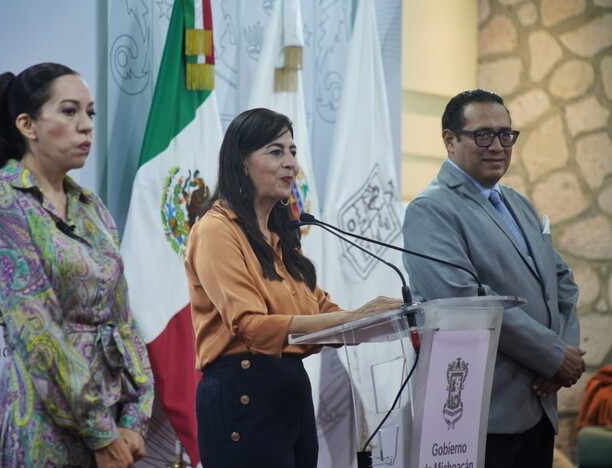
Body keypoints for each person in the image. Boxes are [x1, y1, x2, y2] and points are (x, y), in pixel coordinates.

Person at [0, 63, 154, 468]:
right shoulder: (4, 203)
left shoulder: (92, 207)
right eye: (70, 111)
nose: (86, 125)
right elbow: (37, 333)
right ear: (27, 124)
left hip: (112, 423)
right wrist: (100, 433)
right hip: (44, 424)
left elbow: (124, 321)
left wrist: (134, 418)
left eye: (90, 113)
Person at [184, 108, 403, 467]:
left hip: (291, 394)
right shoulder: (215, 230)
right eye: (275, 152)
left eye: (293, 152)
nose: (291, 164)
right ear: (241, 162)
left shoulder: (283, 235)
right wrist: (353, 317)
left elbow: (321, 311)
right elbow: (250, 327)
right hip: (243, 394)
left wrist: (385, 319)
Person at [402, 89, 585, 468]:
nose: (498, 146)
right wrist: (552, 355)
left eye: (506, 134)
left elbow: (562, 283)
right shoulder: (431, 209)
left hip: (538, 403)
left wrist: (563, 354)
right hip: (480, 414)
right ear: (449, 140)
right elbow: (462, 301)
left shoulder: (517, 203)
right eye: (483, 134)